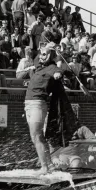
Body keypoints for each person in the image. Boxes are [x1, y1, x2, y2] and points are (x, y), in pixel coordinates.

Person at [25, 42, 65, 174]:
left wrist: (57, 75)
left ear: (51, 55)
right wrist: (47, 45)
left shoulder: (51, 67)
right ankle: (49, 164)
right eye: (41, 54)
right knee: (36, 136)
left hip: (38, 103)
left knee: (37, 135)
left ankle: (45, 167)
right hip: (28, 105)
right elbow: (37, 56)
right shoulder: (39, 67)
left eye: (45, 54)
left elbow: (58, 71)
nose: (41, 57)